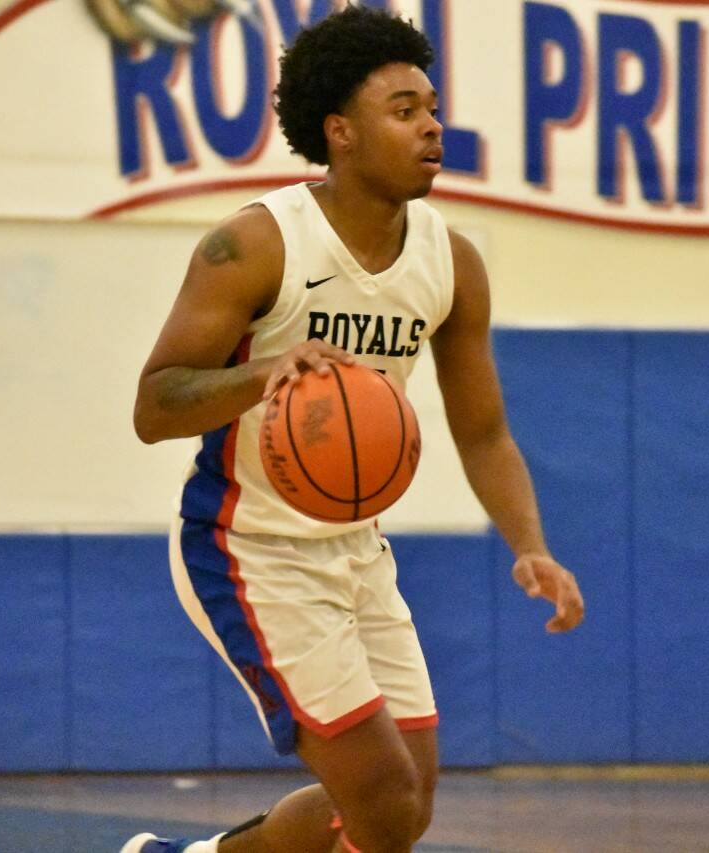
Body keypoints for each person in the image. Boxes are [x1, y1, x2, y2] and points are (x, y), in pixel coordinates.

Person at [125, 7, 584, 853]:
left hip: (355, 549)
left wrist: (531, 543)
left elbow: (482, 431)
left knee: (399, 808)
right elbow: (155, 405)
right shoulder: (255, 245)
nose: (432, 127)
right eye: (404, 110)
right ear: (340, 132)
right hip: (245, 545)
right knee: (376, 790)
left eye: (433, 108)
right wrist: (264, 371)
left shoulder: (453, 263)